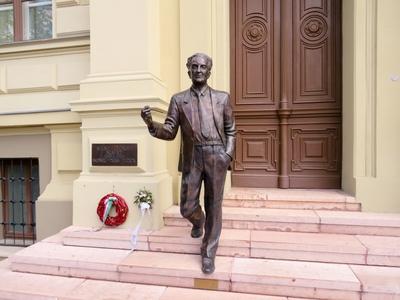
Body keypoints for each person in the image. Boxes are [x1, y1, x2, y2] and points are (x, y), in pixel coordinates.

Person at [141, 53, 236, 274]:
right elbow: (169, 131)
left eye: (203, 67)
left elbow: (231, 130)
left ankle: (209, 252)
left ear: (209, 71)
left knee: (214, 205)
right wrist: (150, 124)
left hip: (216, 156)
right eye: (194, 67)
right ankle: (198, 221)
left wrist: (227, 155)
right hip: (193, 158)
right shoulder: (178, 99)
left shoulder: (222, 98)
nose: (199, 70)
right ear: (189, 70)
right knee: (186, 207)